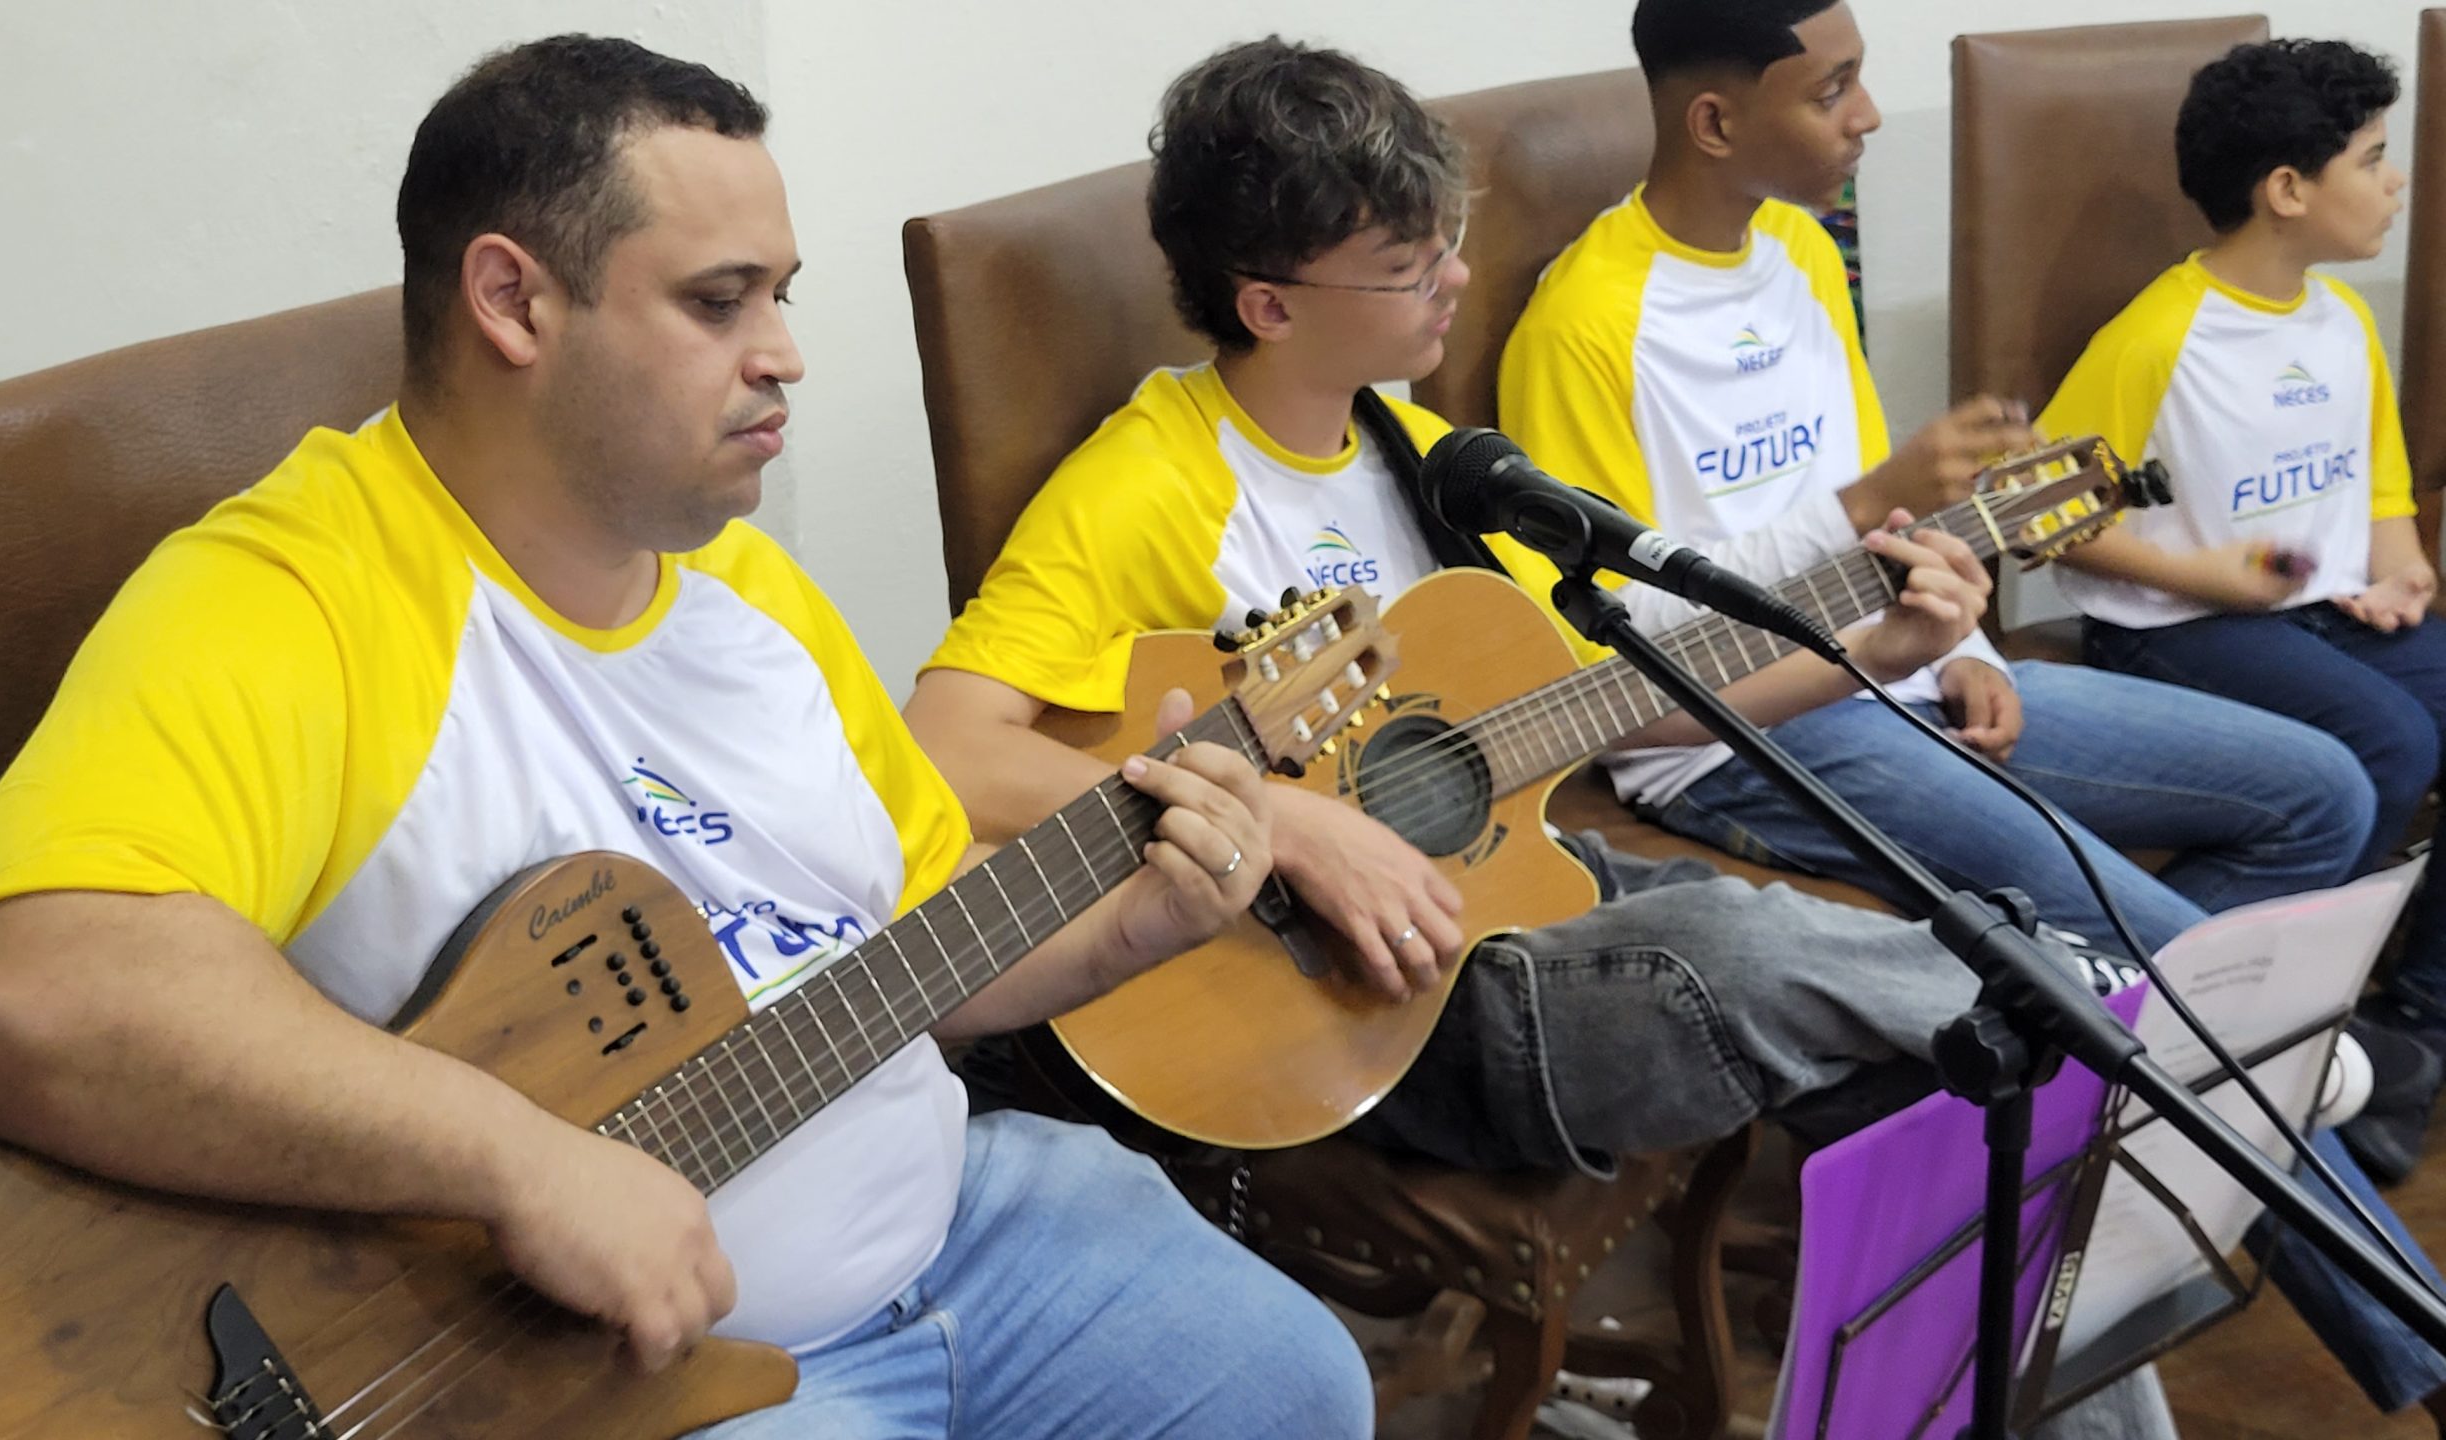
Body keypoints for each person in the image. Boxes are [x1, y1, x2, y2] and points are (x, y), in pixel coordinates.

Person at [0, 36, 1373, 1440]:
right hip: (614, 1378)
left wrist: (1131, 926)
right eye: (720, 303)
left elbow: (910, 930)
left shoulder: (745, 583)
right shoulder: (299, 598)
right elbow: (29, 986)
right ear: (514, 302)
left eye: (781, 296)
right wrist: (515, 1161)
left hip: (967, 1233)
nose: (785, 355)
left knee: (1304, 1388)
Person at [903, 37, 2173, 1437]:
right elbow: (946, 745)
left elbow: (1618, 698)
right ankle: (2131, 1025)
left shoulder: (1412, 450)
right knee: (1757, 952)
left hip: (1514, 920)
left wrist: (1872, 655)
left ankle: (2073, 1056)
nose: (1455, 278)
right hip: (1364, 1007)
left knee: (2000, 1107)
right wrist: (1294, 824)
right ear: (1269, 302)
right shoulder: (1149, 481)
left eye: (1447, 241)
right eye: (1409, 265)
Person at [1499, 1, 2446, 1423]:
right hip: (1752, 733)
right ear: (1715, 120)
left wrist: (1960, 642)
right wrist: (1880, 583)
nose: (1868, 117)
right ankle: (2415, 1337)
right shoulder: (1584, 325)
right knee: (2183, 996)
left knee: (2321, 792)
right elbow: (1622, 665)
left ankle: (2107, 1135)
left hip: (1904, 668)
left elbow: (1884, 524)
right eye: (1833, 90)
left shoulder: (1802, 251)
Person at [2037, 37, 2446, 1191]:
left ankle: (2412, 1022)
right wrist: (2211, 577)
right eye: (2371, 159)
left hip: (2326, 614)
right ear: (2286, 190)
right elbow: (2040, 518)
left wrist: (2404, 571)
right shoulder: (2156, 337)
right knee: (2388, 742)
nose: (2395, 183)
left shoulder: (2340, 318)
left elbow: (2377, 489)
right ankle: (2275, 1022)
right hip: (2176, 627)